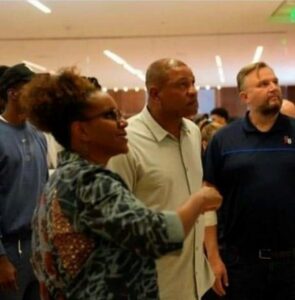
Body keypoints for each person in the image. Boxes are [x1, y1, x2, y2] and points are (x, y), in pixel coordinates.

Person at [20, 68, 222, 299]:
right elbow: (155, 234)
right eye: (110, 116)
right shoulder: (89, 183)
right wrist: (199, 200)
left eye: (119, 114)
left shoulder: (64, 177)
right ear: (82, 130)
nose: (123, 123)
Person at [108, 58, 218, 300]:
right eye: (181, 85)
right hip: (152, 286)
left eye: (193, 83)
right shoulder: (126, 141)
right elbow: (116, 225)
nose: (192, 91)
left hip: (196, 281)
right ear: (155, 93)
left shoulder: (192, 132)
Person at [203, 61, 295, 299]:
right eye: (263, 84)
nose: (273, 87)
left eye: (274, 81)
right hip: (240, 263)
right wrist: (213, 259)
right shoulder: (223, 140)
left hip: (291, 262)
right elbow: (207, 204)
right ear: (245, 96)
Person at [0, 63, 48, 300]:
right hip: (9, 249)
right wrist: (1, 258)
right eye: (31, 89)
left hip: (37, 245)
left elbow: (45, 192)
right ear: (13, 92)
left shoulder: (38, 134)